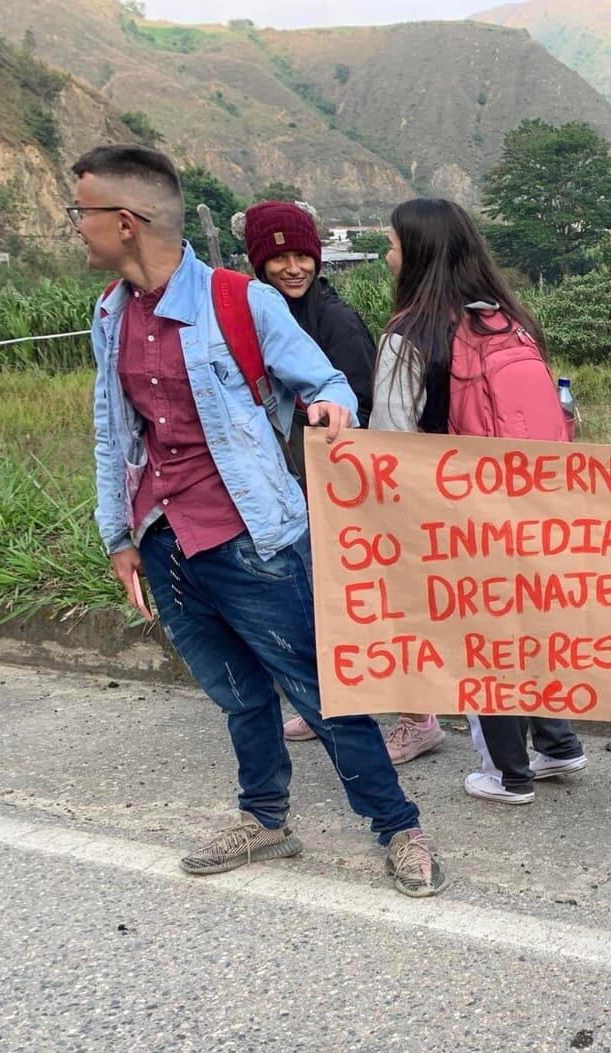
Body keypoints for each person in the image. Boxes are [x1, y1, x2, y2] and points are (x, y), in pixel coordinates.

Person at [75, 144, 447, 897]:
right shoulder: (110, 314)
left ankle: (399, 828)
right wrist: (118, 535)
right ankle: (265, 818)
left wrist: (331, 407)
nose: (76, 227)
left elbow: (328, 379)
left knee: (321, 694)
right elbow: (112, 432)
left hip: (253, 540)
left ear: (125, 221)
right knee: (238, 695)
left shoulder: (240, 301)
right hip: (164, 539)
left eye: (81, 213)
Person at [368, 196, 588, 801]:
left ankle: (505, 773)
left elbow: (391, 443)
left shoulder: (409, 336)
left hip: (458, 518)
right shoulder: (510, 321)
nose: (387, 256)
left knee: (481, 637)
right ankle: (558, 744)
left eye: (391, 244)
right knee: (530, 625)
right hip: (532, 504)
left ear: (417, 254)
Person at [233, 200, 381, 745]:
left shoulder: (335, 321)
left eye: (303, 257)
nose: (293, 268)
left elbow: (364, 405)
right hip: (294, 478)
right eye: (279, 258)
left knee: (361, 592)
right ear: (258, 262)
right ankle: (333, 705)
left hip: (342, 480)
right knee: (318, 592)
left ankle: (417, 718)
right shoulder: (261, 317)